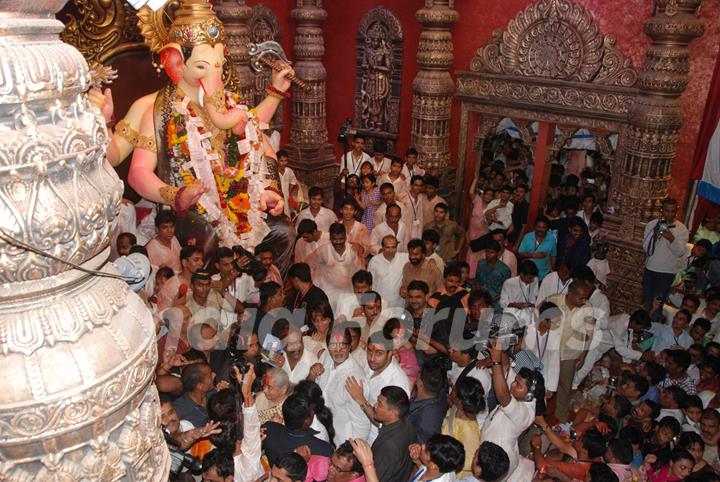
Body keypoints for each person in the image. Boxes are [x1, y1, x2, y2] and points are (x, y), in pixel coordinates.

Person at [481, 337, 546, 480]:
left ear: (529, 396)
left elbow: (503, 397)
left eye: (518, 385)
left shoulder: (526, 414)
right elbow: (505, 368)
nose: (512, 385)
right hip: (488, 449)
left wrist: (496, 361)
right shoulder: (520, 393)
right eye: (515, 381)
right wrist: (501, 348)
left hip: (497, 460)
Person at [346, 334, 412, 443]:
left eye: (379, 353)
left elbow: (385, 422)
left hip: (374, 440)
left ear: (390, 353)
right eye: (369, 352)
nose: (372, 358)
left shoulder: (398, 383)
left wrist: (360, 399)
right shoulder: (373, 364)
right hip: (356, 428)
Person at [311, 326, 371, 445]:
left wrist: (351, 451)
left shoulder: (355, 379)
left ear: (350, 347)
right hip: (318, 432)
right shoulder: (326, 357)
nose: (338, 350)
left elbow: (362, 423)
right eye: (333, 345)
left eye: (343, 345)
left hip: (341, 443)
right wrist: (312, 375)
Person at [546, 279, 594, 422]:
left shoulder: (588, 308)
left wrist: (584, 353)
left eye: (586, 297)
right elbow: (539, 324)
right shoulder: (553, 302)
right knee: (544, 383)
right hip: (550, 351)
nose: (584, 301)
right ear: (570, 294)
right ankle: (539, 415)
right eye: (581, 298)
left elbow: (589, 333)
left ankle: (561, 416)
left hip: (570, 353)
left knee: (565, 386)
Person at [307, 223, 365, 315]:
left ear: (345, 237)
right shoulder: (323, 251)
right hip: (328, 296)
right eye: (335, 239)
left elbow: (361, 272)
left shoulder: (353, 250)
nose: (338, 242)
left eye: (341, 239)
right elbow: (309, 265)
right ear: (330, 238)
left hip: (348, 294)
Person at [643, 198, 689, 310]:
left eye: (672, 211)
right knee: (646, 302)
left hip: (666, 272)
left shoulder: (682, 229)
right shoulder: (652, 224)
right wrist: (654, 236)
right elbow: (645, 248)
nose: (669, 214)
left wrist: (671, 238)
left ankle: (653, 325)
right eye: (667, 210)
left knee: (657, 305)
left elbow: (680, 252)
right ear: (662, 210)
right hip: (650, 268)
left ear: (676, 212)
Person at [262, 393, 333, 466]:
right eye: (312, 411)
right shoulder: (323, 449)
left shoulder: (267, 429)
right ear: (307, 421)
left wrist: (274, 426)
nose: (313, 413)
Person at [370, 386, 417, 482]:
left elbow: (376, 477)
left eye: (380, 404)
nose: (375, 406)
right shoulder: (407, 426)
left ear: (393, 413)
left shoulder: (388, 446)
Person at [442, 376, 485, 477]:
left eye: (454, 390)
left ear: (460, 401)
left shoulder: (469, 431)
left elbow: (470, 462)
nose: (451, 390)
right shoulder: (456, 408)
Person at [408, 355, 450, 444]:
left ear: (420, 383)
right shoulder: (439, 391)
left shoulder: (427, 421)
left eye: (418, 375)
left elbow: (419, 447)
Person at [158, 245, 205, 311]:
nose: (201, 263)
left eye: (202, 260)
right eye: (196, 260)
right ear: (184, 262)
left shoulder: (204, 281)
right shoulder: (171, 286)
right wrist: (175, 307)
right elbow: (161, 315)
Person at [368, 235, 409, 309]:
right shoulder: (374, 261)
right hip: (380, 306)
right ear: (382, 247)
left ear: (397, 247)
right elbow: (369, 285)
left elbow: (419, 259)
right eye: (387, 247)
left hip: (400, 305)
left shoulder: (405, 258)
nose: (390, 250)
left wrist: (431, 262)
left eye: (393, 247)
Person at [500, 259, 539, 327]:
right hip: (512, 314)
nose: (532, 280)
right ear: (521, 275)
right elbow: (502, 303)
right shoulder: (509, 283)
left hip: (528, 314)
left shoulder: (535, 280)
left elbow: (534, 298)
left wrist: (532, 304)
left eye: (533, 277)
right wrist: (516, 305)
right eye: (529, 278)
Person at [475, 240, 511, 311]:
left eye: (492, 252)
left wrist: (491, 300)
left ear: (497, 253)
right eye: (487, 251)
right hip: (481, 300)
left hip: (497, 303)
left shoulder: (504, 269)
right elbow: (477, 281)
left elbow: (506, 290)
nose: (488, 254)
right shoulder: (481, 264)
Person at [517, 216, 557, 281]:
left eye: (543, 227)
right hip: (528, 275)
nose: (540, 230)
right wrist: (533, 255)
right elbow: (520, 254)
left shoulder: (552, 239)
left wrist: (552, 271)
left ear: (547, 229)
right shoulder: (527, 236)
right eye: (538, 227)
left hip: (544, 275)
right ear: (535, 227)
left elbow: (553, 256)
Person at [146, 209, 182, 274]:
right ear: (157, 229)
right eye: (165, 227)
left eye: (172, 226)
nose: (169, 230)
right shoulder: (152, 248)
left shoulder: (173, 238)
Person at [277, 149, 300, 218]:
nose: (284, 163)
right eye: (281, 161)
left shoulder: (289, 171)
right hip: (276, 198)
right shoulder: (274, 171)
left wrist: (288, 192)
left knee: (286, 216)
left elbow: (293, 182)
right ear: (277, 160)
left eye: (286, 161)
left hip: (286, 198)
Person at [405, 175, 428, 240]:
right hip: (407, 231)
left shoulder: (422, 198)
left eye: (420, 185)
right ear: (411, 185)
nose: (418, 188)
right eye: (416, 185)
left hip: (418, 231)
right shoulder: (404, 198)